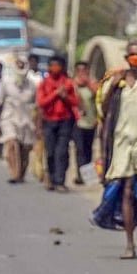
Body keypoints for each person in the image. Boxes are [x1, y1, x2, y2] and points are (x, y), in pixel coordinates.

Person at [98, 40, 137, 258]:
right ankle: (129, 244)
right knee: (126, 190)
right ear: (127, 58)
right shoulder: (117, 80)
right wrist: (114, 85)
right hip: (122, 143)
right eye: (132, 55)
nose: (136, 59)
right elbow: (104, 109)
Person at [36, 55, 78, 193]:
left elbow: (75, 102)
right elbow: (41, 102)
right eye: (52, 65)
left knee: (61, 152)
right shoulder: (44, 84)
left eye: (57, 65)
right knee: (50, 152)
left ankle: (60, 181)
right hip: (49, 121)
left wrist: (65, 96)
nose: (55, 68)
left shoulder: (68, 83)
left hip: (65, 121)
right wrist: (55, 94)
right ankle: (51, 177)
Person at [0, 59, 38, 183]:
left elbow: (36, 105)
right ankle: (14, 173)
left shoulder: (32, 85)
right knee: (12, 143)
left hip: (26, 120)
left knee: (25, 148)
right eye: (18, 65)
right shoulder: (6, 83)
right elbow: (0, 103)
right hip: (9, 117)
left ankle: (21, 173)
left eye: (23, 65)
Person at [71, 61, 98, 185]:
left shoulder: (92, 83)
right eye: (79, 70)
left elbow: (98, 96)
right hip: (78, 121)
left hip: (91, 121)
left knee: (88, 149)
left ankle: (87, 175)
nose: (82, 73)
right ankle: (80, 175)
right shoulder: (73, 85)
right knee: (80, 149)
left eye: (84, 70)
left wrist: (88, 84)